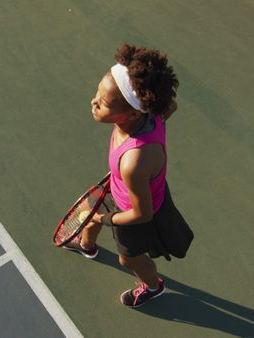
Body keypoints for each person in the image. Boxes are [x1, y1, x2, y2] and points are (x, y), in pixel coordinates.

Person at [63, 43, 180, 308]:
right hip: (122, 186)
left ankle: (153, 286)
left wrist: (106, 219)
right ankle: (86, 246)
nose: (93, 102)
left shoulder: (134, 162)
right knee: (87, 211)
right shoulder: (150, 114)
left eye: (103, 104)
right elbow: (169, 107)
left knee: (129, 259)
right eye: (97, 94)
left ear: (132, 113)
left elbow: (143, 214)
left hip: (133, 211)